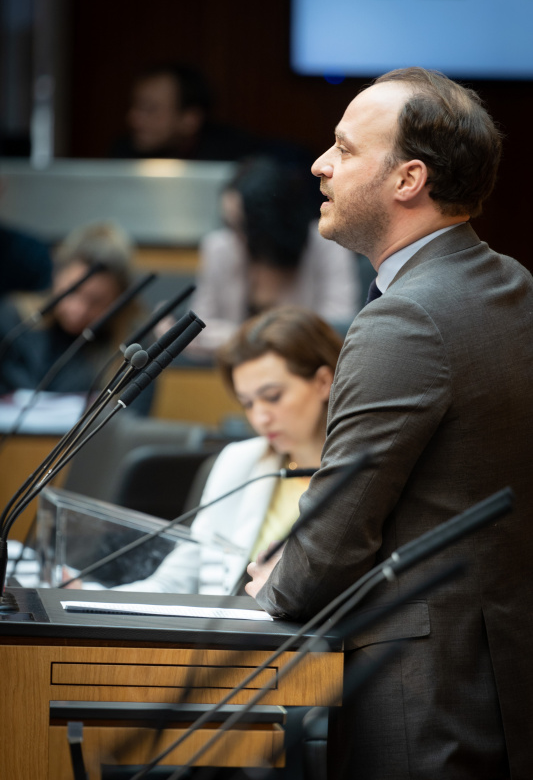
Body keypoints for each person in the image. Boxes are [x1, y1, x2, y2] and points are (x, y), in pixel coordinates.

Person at [246, 68, 533, 778]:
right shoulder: (509, 283)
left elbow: (338, 530)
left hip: (420, 692)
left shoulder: (405, 317)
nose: (319, 164)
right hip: (497, 670)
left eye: (343, 150)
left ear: (407, 180)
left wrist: (268, 584)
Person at [114, 306, 342, 595]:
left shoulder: (359, 476)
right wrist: (90, 598)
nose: (260, 417)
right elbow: (175, 581)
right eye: (247, 403)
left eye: (272, 397)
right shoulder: (240, 461)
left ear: (323, 382)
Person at [189, 157, 360, 354]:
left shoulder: (326, 245)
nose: (235, 237)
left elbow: (336, 330)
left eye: (243, 226)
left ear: (277, 226)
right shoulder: (220, 246)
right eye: (228, 223)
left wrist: (234, 336)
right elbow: (199, 329)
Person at [0, 222, 143, 396]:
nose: (78, 310)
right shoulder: (15, 321)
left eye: (96, 301)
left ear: (119, 301)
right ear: (56, 275)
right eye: (72, 291)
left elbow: (133, 415)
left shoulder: (133, 348)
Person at [110, 62, 260, 161]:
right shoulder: (123, 153)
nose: (133, 118)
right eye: (135, 106)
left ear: (190, 120)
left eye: (150, 109)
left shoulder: (233, 158)